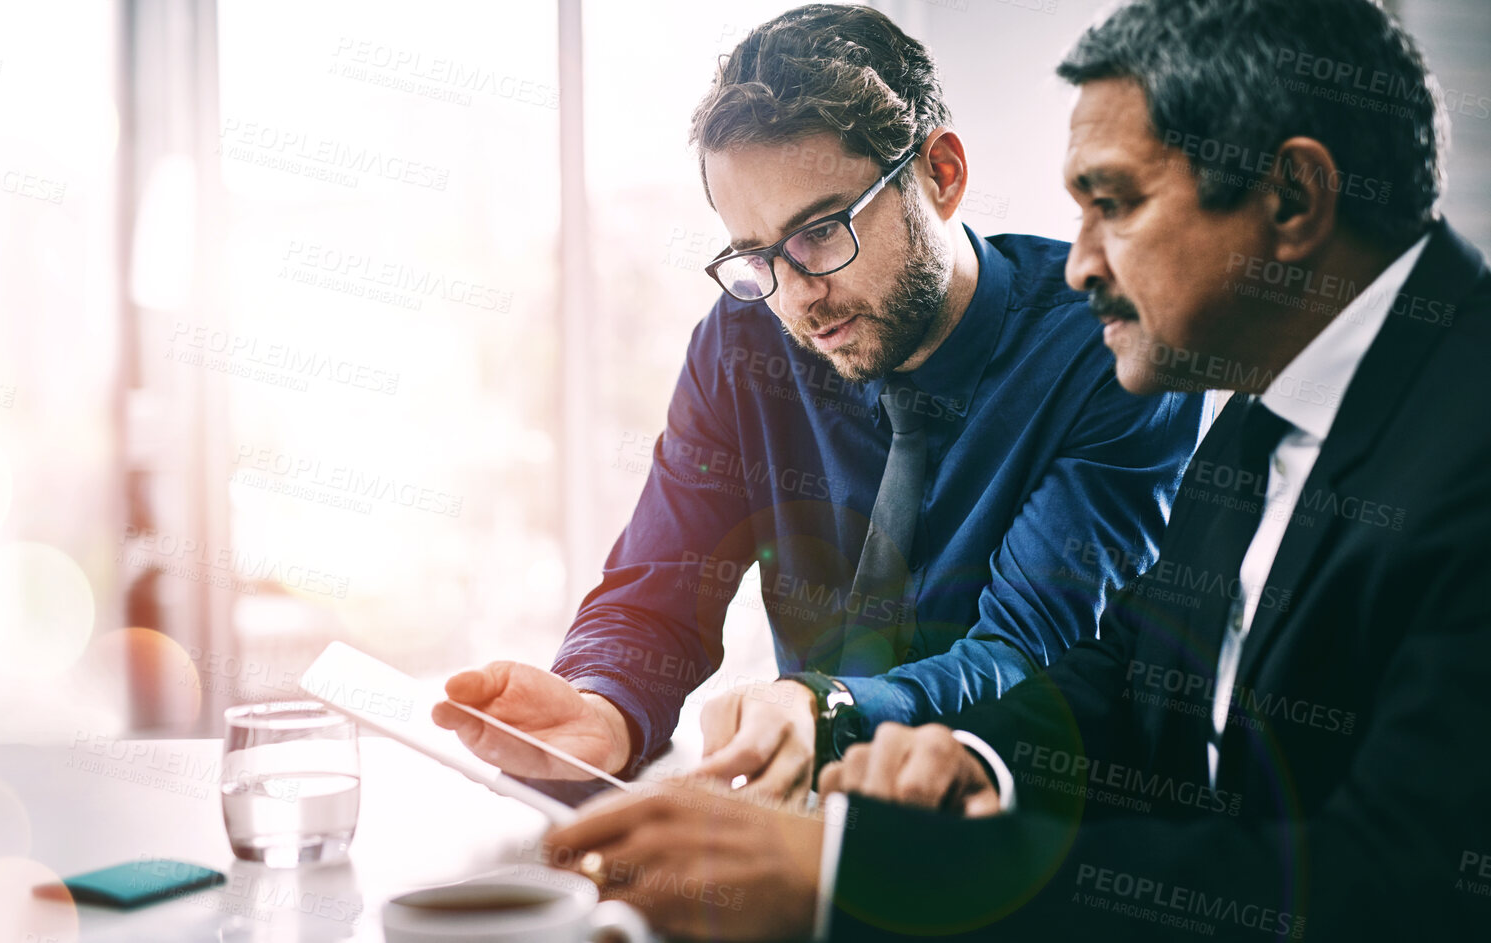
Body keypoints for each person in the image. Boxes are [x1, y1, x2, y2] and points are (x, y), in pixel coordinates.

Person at [539, 0, 1491, 939]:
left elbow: (1400, 889)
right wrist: (972, 760)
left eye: (1111, 205)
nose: (1079, 263)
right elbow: (1124, 678)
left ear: (1289, 198)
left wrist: (848, 877)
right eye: (758, 255)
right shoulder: (1261, 414)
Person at [432, 4, 1201, 802]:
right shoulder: (742, 344)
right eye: (755, 254)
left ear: (940, 174)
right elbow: (657, 590)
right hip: (792, 827)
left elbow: (1023, 653)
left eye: (822, 231)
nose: (796, 295)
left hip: (1013, 839)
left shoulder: (1105, 347)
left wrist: (825, 708)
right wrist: (604, 705)